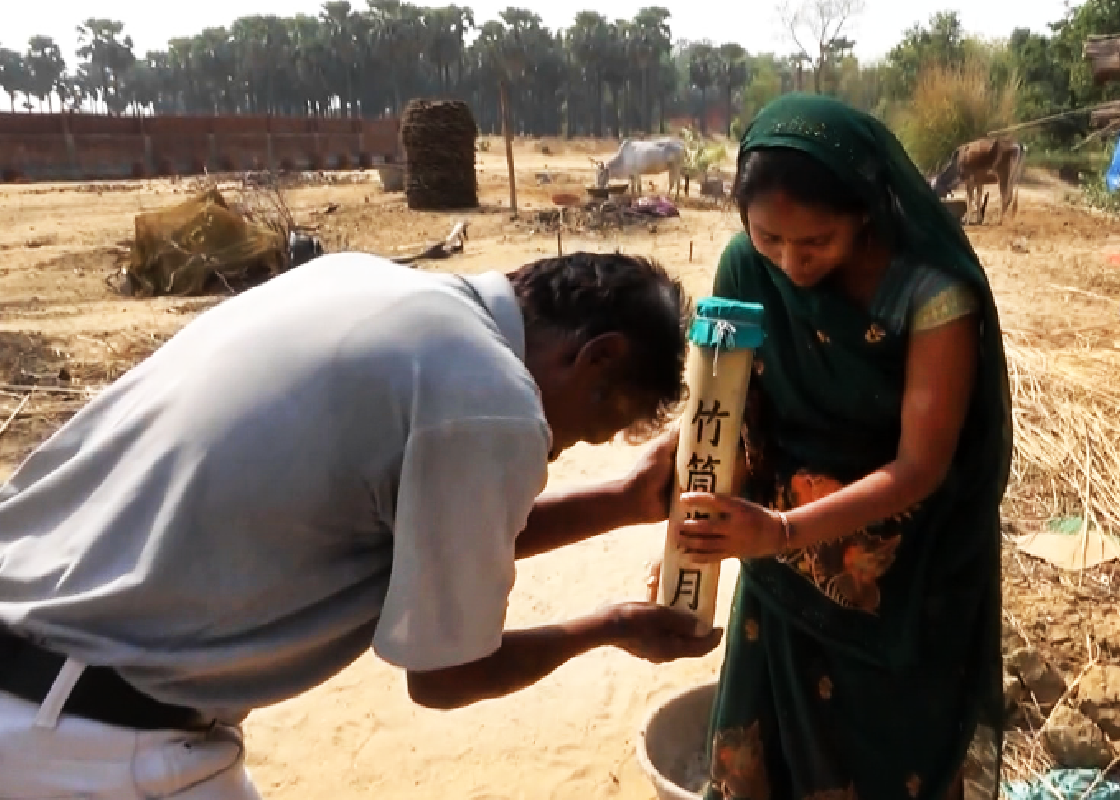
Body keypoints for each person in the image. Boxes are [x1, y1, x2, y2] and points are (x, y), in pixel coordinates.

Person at [0, 250, 722, 798]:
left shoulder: (363, 283)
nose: (556, 448)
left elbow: (431, 535)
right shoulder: (490, 400)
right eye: (592, 427)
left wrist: (624, 502)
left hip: (36, 675)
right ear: (597, 356)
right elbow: (445, 677)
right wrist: (610, 628)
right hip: (86, 740)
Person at [666, 94, 1013, 799]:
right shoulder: (744, 269)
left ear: (865, 211)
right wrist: (689, 547)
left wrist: (787, 528)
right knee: (781, 752)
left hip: (902, 573)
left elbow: (921, 465)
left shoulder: (931, 294)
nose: (790, 262)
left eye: (815, 242)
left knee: (890, 760)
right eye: (768, 237)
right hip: (777, 568)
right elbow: (724, 414)